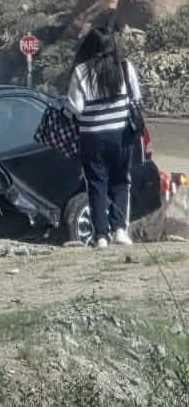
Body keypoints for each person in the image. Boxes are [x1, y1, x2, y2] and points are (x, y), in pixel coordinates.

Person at [66, 25, 144, 248]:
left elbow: (76, 108)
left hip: (92, 137)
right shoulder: (125, 67)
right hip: (121, 135)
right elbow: (136, 99)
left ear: (89, 46)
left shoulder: (81, 72)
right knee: (121, 181)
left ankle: (101, 235)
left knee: (97, 184)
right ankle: (120, 229)